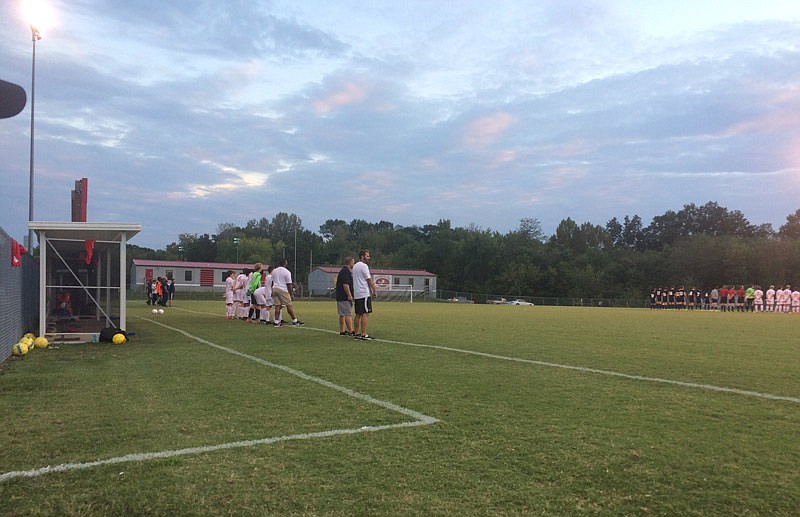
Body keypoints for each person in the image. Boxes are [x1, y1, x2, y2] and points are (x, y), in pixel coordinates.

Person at [353, 249, 377, 340]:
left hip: (357, 293)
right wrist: (374, 290)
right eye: (367, 256)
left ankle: (356, 333)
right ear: (362, 256)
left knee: (358, 314)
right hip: (363, 293)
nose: (369, 258)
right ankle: (363, 334)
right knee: (365, 313)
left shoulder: (355, 266)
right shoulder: (364, 266)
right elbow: (369, 280)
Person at [271, 258, 304, 327]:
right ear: (285, 264)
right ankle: (294, 320)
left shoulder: (274, 271)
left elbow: (272, 281)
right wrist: (291, 294)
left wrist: (272, 290)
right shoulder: (287, 272)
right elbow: (289, 284)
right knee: (289, 305)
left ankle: (276, 321)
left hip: (275, 288)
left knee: (277, 305)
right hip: (282, 289)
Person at [335, 256, 355, 336]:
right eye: (353, 262)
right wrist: (349, 295)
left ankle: (342, 330)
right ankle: (351, 330)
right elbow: (345, 284)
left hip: (340, 295)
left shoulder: (343, 271)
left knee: (342, 314)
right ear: (350, 263)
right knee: (347, 313)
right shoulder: (346, 272)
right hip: (344, 296)